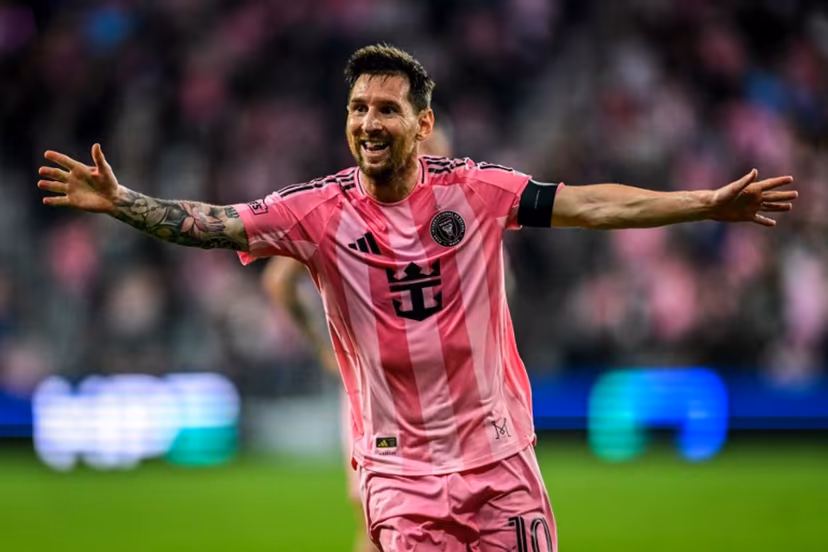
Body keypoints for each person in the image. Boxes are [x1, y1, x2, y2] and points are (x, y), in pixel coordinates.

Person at [38, 44, 796, 552]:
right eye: (358, 108)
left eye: (387, 109)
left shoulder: (477, 191)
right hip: (399, 476)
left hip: (500, 461)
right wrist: (122, 201)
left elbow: (591, 204)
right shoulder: (317, 212)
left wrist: (704, 203)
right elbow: (215, 225)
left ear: (422, 124)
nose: (369, 122)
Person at [261, 126, 452, 552]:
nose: (434, 163)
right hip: (378, 390)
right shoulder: (351, 213)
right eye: (427, 152)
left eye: (440, 154)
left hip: (452, 394)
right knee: (376, 516)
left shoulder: (456, 218)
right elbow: (278, 280)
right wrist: (324, 348)